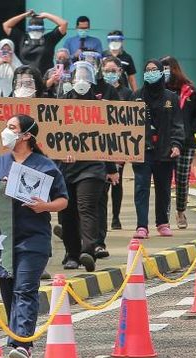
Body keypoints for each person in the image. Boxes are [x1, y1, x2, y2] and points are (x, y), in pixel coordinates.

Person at [0, 114, 68, 358]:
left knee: (25, 289)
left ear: (26, 135)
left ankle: (22, 346)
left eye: (11, 128)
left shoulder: (45, 166)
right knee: (9, 292)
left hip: (33, 239)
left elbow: (63, 199)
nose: (6, 132)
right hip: (2, 240)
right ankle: (17, 337)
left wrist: (45, 206)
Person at [59, 62, 119, 270]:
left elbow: (108, 138)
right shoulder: (61, 104)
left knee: (87, 208)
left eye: (86, 74)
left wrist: (111, 168)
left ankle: (87, 250)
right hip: (66, 167)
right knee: (67, 212)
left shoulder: (99, 105)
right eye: (79, 74)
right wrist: (59, 155)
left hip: (92, 167)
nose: (82, 79)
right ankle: (72, 254)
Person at [131, 60, 184, 239]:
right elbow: (127, 125)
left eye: (154, 70)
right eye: (148, 70)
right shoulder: (136, 96)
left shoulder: (171, 97)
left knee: (163, 189)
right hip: (142, 150)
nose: (151, 73)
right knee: (141, 188)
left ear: (161, 73)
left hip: (165, 151)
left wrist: (176, 145)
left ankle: (162, 223)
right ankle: (141, 226)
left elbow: (178, 124)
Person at [161, 56, 196, 229]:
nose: (164, 72)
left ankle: (180, 212)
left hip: (186, 143)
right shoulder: (158, 91)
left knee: (182, 179)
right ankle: (163, 216)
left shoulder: (190, 91)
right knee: (163, 179)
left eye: (167, 68)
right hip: (164, 142)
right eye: (162, 69)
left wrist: (190, 130)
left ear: (174, 69)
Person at [100, 56, 133, 231]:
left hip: (119, 142)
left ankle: (116, 217)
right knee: (102, 184)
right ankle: (102, 218)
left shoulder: (127, 93)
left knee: (117, 182)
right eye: (107, 71)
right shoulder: (98, 90)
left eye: (113, 71)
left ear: (120, 72)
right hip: (101, 141)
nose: (110, 74)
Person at [2, 9, 67, 75]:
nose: (35, 31)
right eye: (33, 29)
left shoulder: (49, 39)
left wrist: (46, 15)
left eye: (38, 29)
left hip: (45, 78)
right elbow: (6, 25)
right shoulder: (22, 38)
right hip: (26, 77)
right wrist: (25, 15)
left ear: (43, 29)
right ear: (28, 29)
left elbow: (64, 24)